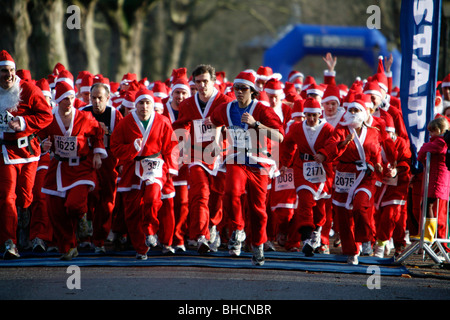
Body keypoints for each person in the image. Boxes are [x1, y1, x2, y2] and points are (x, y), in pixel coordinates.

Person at [209, 70, 284, 266]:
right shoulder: (226, 109)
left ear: (253, 91)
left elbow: (280, 136)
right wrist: (217, 141)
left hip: (259, 162)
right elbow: (213, 121)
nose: (239, 92)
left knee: (258, 208)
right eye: (236, 88)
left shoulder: (262, 110)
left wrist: (256, 124)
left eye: (243, 89)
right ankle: (239, 229)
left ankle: (258, 245)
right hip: (236, 158)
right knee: (231, 193)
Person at [39, 80, 107, 260]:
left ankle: (82, 218)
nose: (69, 102)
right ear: (57, 101)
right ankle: (69, 246)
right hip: (59, 167)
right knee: (55, 210)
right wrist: (42, 144)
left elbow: (98, 133)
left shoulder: (84, 117)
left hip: (81, 167)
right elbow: (38, 137)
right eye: (65, 99)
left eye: (71, 98)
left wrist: (98, 154)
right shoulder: (49, 118)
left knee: (74, 205)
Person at [110, 89, 179, 260]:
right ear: (136, 105)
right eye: (141, 103)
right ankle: (141, 248)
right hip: (132, 166)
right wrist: (131, 148)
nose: (144, 106)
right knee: (132, 211)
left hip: (155, 165)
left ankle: (150, 230)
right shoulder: (125, 123)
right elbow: (115, 147)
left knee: (153, 197)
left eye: (148, 103)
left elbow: (172, 146)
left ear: (152, 104)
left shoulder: (162, 121)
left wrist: (171, 168)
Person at [172, 64, 233, 254]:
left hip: (220, 155)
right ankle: (201, 235)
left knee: (217, 197)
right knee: (200, 193)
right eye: (198, 82)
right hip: (197, 153)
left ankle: (213, 226)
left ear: (213, 82)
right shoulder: (187, 104)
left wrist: (222, 129)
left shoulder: (225, 101)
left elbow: (235, 127)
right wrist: (180, 148)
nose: (202, 85)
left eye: (205, 81)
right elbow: (180, 127)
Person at [316, 98, 383, 265]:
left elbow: (376, 150)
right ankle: (351, 251)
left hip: (364, 175)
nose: (353, 113)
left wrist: (379, 164)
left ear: (363, 113)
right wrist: (343, 143)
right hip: (344, 174)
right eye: (350, 110)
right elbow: (330, 145)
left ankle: (365, 239)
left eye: (356, 110)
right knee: (343, 215)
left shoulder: (373, 131)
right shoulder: (341, 129)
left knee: (360, 206)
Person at [0, 50, 53, 259]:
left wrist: (23, 123)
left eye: (11, 71)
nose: (9, 76)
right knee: (6, 197)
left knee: (26, 197)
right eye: (4, 71)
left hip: (29, 151)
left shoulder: (28, 89)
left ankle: (24, 217)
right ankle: (9, 242)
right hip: (5, 150)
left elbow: (46, 115)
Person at [280, 98, 335, 256]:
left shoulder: (327, 128)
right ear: (304, 114)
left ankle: (317, 230)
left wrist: (324, 154)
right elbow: (288, 143)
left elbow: (334, 143)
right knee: (304, 199)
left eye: (314, 115)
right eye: (308, 115)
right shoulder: (297, 128)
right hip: (302, 167)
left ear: (319, 114)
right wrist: (285, 163)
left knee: (320, 205)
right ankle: (306, 237)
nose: (311, 119)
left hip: (322, 169)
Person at [80, 82, 123, 253]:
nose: (96, 102)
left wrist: (120, 164)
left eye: (100, 98)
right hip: (87, 160)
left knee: (107, 202)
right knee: (87, 198)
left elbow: (121, 141)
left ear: (108, 98)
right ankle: (85, 235)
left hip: (108, 161)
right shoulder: (82, 113)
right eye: (93, 98)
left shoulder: (115, 115)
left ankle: (100, 240)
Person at [162, 77, 191, 252]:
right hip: (165, 163)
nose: (180, 96)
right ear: (171, 93)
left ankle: (179, 238)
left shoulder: (192, 109)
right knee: (166, 202)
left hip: (184, 163)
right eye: (177, 93)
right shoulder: (163, 110)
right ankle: (165, 237)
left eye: (183, 93)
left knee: (182, 202)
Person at [416, 117, 450, 244]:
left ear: (439, 130)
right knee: (427, 205)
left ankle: (429, 236)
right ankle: (428, 234)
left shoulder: (441, 141)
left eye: (432, 131)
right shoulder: (440, 141)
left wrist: (424, 149)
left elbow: (425, 150)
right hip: (437, 178)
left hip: (438, 179)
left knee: (428, 206)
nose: (430, 134)